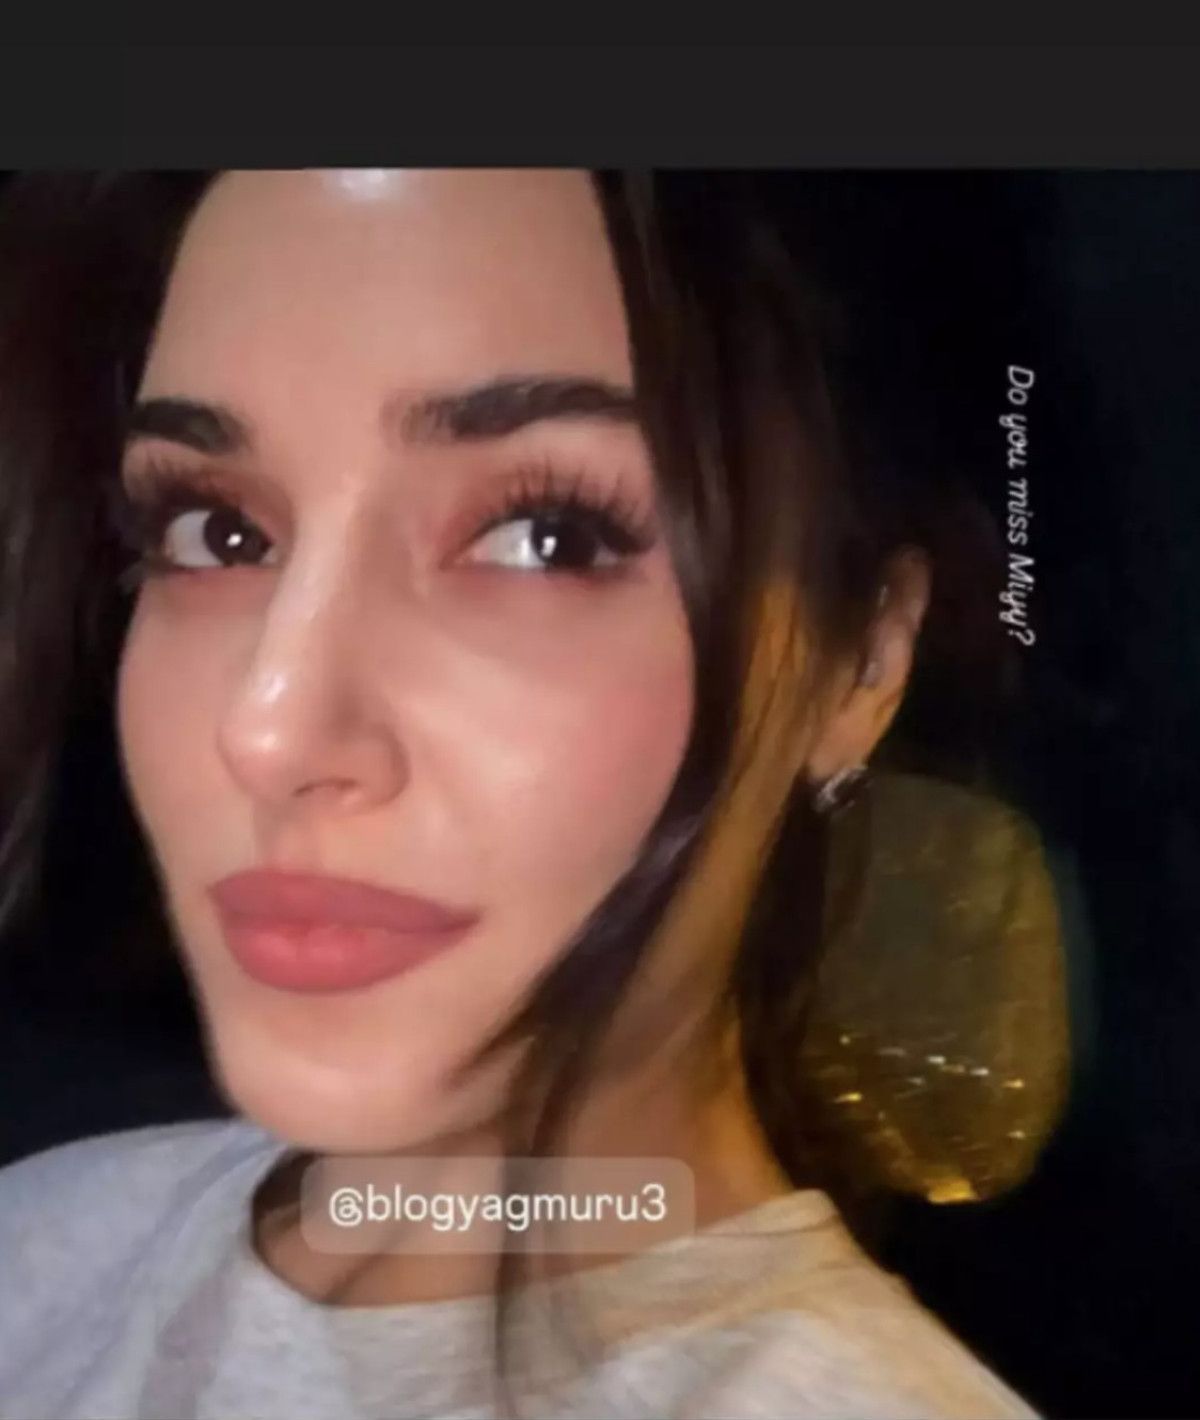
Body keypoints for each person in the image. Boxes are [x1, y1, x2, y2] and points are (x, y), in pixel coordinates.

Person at [0, 169, 1037, 1419]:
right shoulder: (43, 1234)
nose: (265, 728)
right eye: (216, 531)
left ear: (859, 660)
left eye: (548, 536)